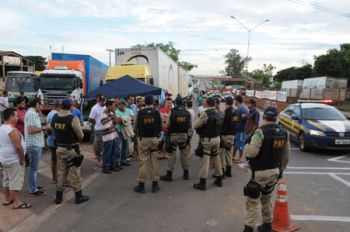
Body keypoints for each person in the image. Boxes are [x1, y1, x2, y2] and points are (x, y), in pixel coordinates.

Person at [242, 106, 290, 232]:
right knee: (267, 199)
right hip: (274, 172)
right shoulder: (284, 133)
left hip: (258, 174)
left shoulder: (260, 132)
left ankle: (248, 228)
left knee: (252, 201)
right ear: (276, 118)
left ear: (264, 117)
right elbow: (286, 156)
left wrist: (246, 146)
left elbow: (251, 153)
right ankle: (267, 225)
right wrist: (280, 172)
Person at [51, 98, 89, 204]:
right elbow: (80, 135)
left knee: (61, 173)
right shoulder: (73, 118)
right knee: (74, 173)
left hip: (59, 149)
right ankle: (78, 196)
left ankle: (58, 197)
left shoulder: (55, 116)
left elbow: (52, 130)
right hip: (71, 150)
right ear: (70, 107)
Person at [0, 108, 31, 209]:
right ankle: (16, 202)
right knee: (15, 180)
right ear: (11, 117)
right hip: (13, 159)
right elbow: (18, 147)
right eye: (16, 116)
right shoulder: (12, 130)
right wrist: (22, 159)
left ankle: (7, 199)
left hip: (5, 158)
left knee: (7, 179)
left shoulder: (2, 127)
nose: (18, 118)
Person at [193, 97, 224, 191]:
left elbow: (195, 125)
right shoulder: (219, 113)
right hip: (217, 139)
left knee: (205, 160)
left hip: (207, 140)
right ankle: (219, 179)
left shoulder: (205, 114)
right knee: (216, 158)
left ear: (206, 104)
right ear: (214, 104)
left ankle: (202, 183)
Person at [134, 95, 162, 193]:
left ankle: (141, 186)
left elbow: (135, 126)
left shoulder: (140, 113)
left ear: (145, 102)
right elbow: (161, 126)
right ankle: (155, 185)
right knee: (155, 162)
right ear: (153, 102)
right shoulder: (157, 113)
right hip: (154, 139)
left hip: (143, 140)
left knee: (143, 162)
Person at [160, 96, 191, 182]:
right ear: (183, 103)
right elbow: (190, 126)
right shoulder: (187, 112)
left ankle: (169, 174)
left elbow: (167, 125)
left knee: (172, 155)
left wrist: (164, 126)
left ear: (175, 103)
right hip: (184, 136)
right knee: (184, 155)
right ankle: (186, 173)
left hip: (173, 136)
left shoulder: (172, 112)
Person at [25, 98, 47, 196]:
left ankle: (34, 185)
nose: (42, 107)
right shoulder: (31, 114)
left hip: (36, 144)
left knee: (34, 167)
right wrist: (43, 128)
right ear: (37, 104)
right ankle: (33, 189)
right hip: (34, 145)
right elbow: (31, 130)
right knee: (33, 168)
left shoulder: (33, 113)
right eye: (41, 105)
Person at [218, 96, 237, 178]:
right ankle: (229, 171)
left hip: (224, 135)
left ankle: (221, 171)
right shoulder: (236, 112)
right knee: (229, 152)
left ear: (225, 103)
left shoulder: (225, 113)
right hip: (232, 135)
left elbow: (220, 124)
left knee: (221, 153)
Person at [100, 100, 119, 174]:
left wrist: (114, 113)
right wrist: (112, 125)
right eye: (113, 105)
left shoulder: (111, 113)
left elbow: (116, 122)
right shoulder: (103, 115)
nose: (114, 107)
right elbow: (107, 127)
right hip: (107, 136)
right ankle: (105, 167)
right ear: (108, 106)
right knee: (107, 152)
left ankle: (112, 166)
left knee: (113, 152)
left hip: (113, 135)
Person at [46, 100, 61, 184]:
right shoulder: (56, 115)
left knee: (54, 160)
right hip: (56, 140)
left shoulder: (50, 113)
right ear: (59, 106)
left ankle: (54, 178)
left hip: (51, 140)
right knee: (60, 161)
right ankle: (61, 179)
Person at [89, 95, 106, 167]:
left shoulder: (106, 106)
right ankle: (99, 160)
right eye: (101, 100)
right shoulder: (95, 108)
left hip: (106, 129)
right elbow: (91, 119)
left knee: (105, 147)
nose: (103, 102)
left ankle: (105, 160)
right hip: (98, 130)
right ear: (98, 100)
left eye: (103, 100)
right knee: (97, 147)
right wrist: (96, 124)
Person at [115, 98, 134, 166]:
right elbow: (117, 121)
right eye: (119, 105)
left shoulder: (129, 110)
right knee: (118, 147)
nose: (120, 106)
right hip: (119, 130)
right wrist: (126, 119)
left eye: (121, 104)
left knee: (125, 146)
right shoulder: (116, 111)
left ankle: (123, 160)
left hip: (126, 131)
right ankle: (118, 162)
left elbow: (132, 118)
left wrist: (123, 119)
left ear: (124, 105)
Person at [233, 95, 249, 163]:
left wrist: (244, 117)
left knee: (240, 144)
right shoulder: (238, 108)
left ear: (237, 101)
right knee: (236, 143)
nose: (234, 102)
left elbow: (247, 118)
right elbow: (236, 118)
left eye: (235, 100)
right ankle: (233, 156)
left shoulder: (243, 108)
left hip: (241, 130)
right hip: (237, 129)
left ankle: (240, 157)